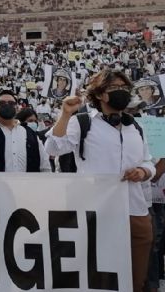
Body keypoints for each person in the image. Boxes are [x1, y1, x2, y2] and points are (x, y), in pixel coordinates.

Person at [45, 68, 155, 291]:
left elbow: (149, 162)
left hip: (135, 209)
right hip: (97, 212)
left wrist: (143, 172)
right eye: (115, 88)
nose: (121, 92)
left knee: (136, 278)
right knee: (99, 275)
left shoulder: (137, 126)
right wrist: (65, 115)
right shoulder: (82, 123)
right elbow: (53, 147)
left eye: (124, 88)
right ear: (100, 94)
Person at [0, 89, 51, 172]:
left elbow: (44, 166)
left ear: (17, 108)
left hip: (27, 184)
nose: (7, 106)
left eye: (11, 103)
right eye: (2, 103)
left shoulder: (30, 134)